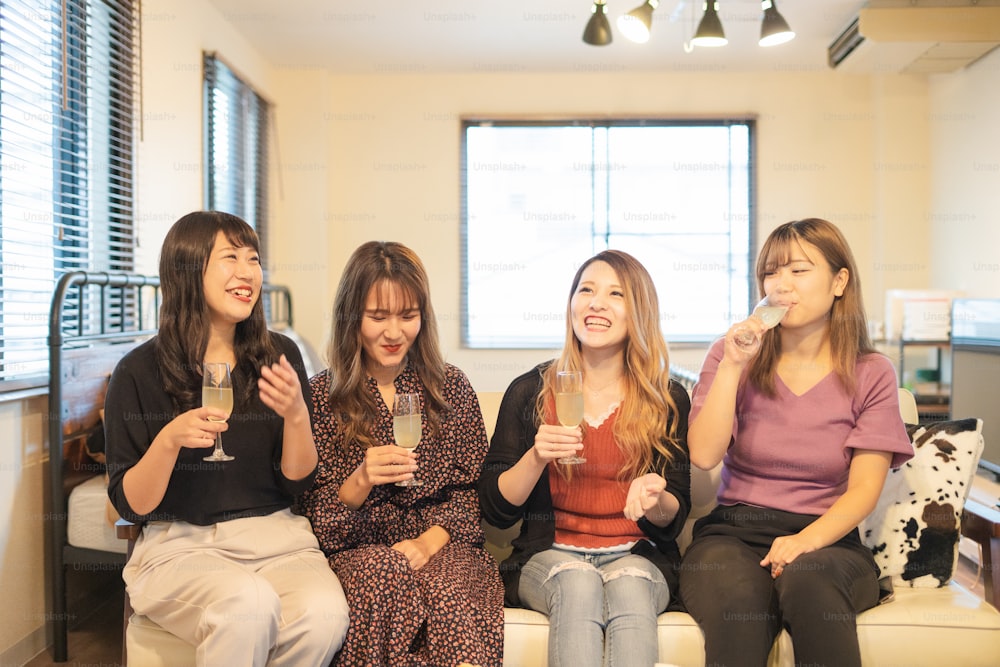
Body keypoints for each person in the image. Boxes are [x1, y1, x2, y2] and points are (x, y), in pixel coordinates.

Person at [104, 211, 349, 666]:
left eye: (253, 259)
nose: (247, 272)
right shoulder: (138, 371)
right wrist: (169, 441)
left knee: (325, 614)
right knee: (247, 606)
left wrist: (297, 416)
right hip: (181, 547)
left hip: (278, 538)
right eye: (230, 258)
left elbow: (298, 482)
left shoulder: (280, 355)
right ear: (186, 270)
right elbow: (130, 505)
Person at [679, 218, 914, 667]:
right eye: (772, 272)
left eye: (799, 271)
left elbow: (865, 489)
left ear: (839, 281)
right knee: (738, 602)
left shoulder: (871, 372)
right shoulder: (728, 355)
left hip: (830, 541)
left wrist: (805, 540)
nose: (781, 284)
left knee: (809, 582)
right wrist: (731, 366)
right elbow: (705, 455)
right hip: (733, 534)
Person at [478, 249, 691, 667]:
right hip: (550, 555)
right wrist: (536, 456)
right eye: (586, 290)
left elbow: (673, 520)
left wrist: (657, 497)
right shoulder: (530, 392)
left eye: (616, 294)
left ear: (639, 312)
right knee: (578, 583)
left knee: (629, 588)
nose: (595, 302)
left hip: (638, 554)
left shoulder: (667, 400)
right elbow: (495, 510)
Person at [296, 241, 504, 667]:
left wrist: (428, 543)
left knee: (447, 590)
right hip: (361, 550)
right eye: (378, 317)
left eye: (408, 316)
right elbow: (313, 517)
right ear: (352, 317)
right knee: (381, 576)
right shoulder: (320, 396)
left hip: (443, 545)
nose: (394, 333)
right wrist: (360, 480)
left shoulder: (450, 389)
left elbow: (470, 494)